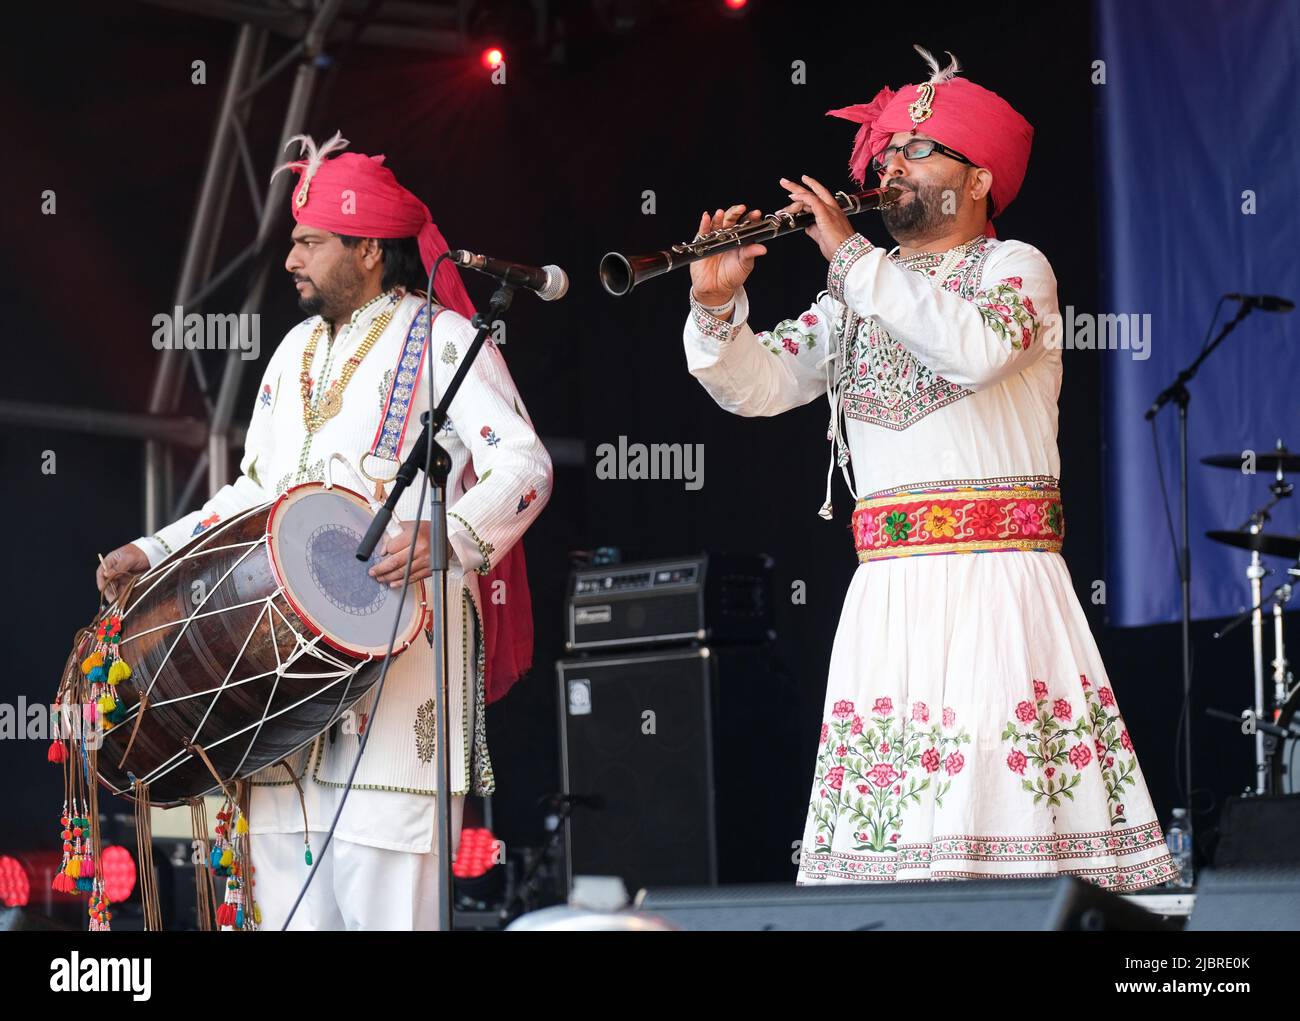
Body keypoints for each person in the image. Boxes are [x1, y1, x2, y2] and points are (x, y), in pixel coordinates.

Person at [681, 48, 1176, 890]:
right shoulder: (854, 297)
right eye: (887, 151)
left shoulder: (1016, 270)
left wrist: (851, 259)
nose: (890, 165)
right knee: (900, 845)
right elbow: (758, 386)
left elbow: (975, 348)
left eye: (918, 150)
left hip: (1000, 590)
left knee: (1003, 829)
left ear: (978, 178)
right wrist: (715, 304)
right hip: (892, 599)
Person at [96, 131, 553, 927]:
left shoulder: (441, 338)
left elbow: (524, 464)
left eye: (309, 242)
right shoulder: (292, 351)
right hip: (277, 688)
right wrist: (156, 548)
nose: (291, 260)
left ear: (369, 249)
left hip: (398, 666)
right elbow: (253, 493)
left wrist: (446, 536)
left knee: (382, 901)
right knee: (287, 912)